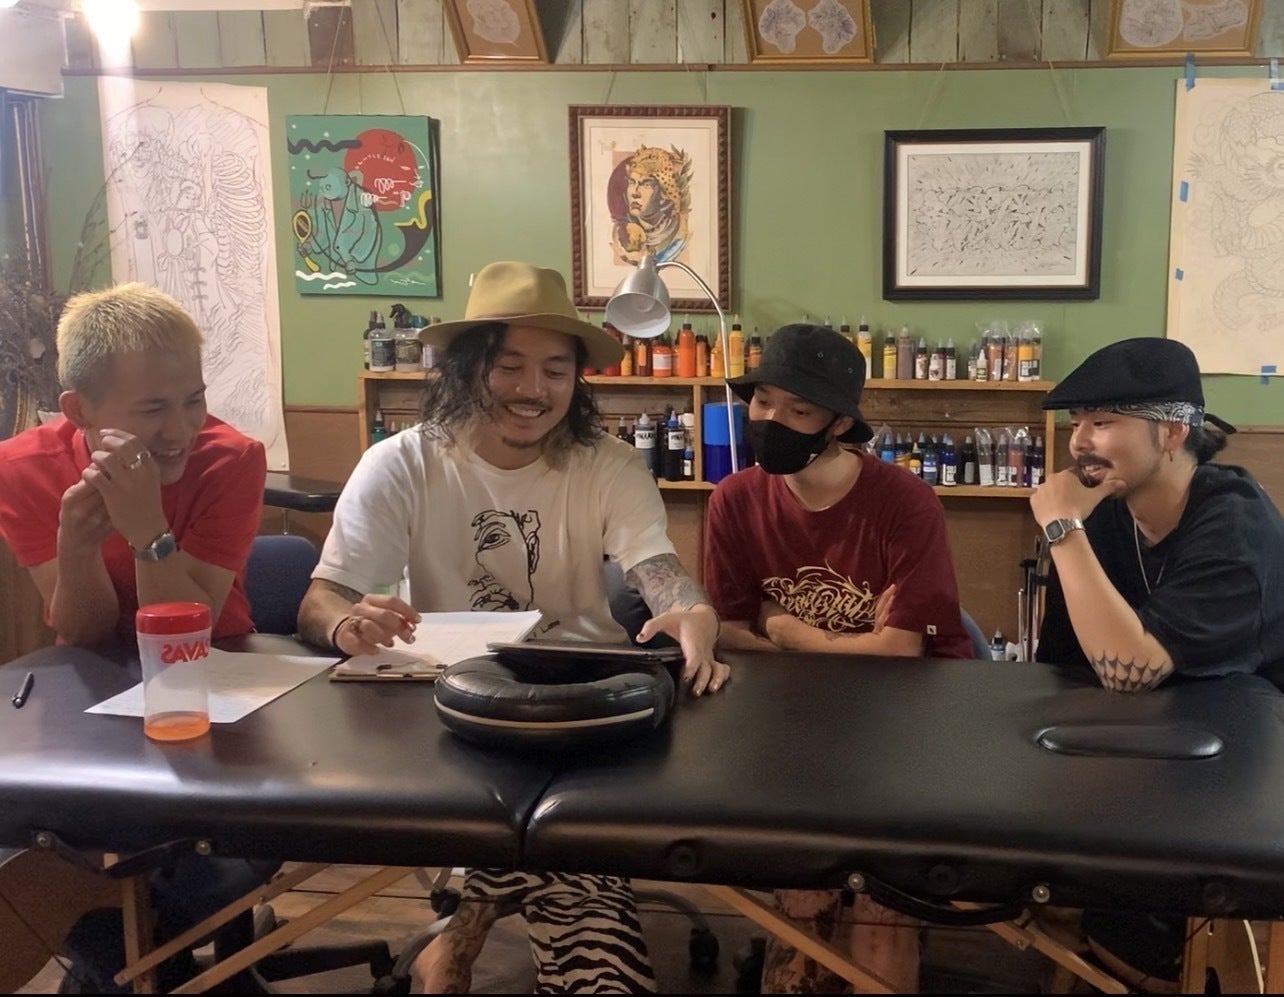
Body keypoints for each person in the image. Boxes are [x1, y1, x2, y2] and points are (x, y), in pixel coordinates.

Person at [296, 259, 729, 994]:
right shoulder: (399, 464)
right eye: (510, 365)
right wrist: (345, 623)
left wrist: (692, 611)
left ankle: (461, 933)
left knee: (556, 819)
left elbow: (660, 571)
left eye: (556, 370)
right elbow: (320, 599)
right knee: (564, 846)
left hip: (585, 712)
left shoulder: (609, 464)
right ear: (467, 367)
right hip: (456, 711)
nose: (534, 389)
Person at [0, 281, 272, 992]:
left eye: (193, 400)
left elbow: (186, 636)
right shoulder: (22, 468)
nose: (181, 429)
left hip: (214, 687)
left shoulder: (232, 459)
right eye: (153, 409)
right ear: (79, 411)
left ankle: (135, 967)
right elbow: (83, 631)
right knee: (45, 847)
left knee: (178, 879)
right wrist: (77, 545)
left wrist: (148, 528)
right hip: (93, 700)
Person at [703, 323, 973, 993]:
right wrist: (849, 644)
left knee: (882, 916)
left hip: (913, 721)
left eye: (798, 410)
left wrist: (790, 631)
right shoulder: (734, 499)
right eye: (763, 401)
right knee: (801, 902)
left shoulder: (904, 502)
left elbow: (902, 650)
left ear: (839, 423)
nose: (772, 421)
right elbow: (726, 631)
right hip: (794, 725)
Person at [1031, 336, 1284, 990]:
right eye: (1077, 423)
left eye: (1103, 422)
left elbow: (1128, 668)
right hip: (1143, 746)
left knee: (1136, 936)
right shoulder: (1106, 512)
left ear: (1171, 432)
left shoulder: (1236, 524)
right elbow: (1064, 668)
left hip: (1244, 767)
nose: (1080, 442)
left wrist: (1062, 529)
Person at [610, 145, 691, 266]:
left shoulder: (676, 234)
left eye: (646, 185)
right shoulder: (623, 230)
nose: (635, 193)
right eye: (632, 182)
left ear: (663, 193)